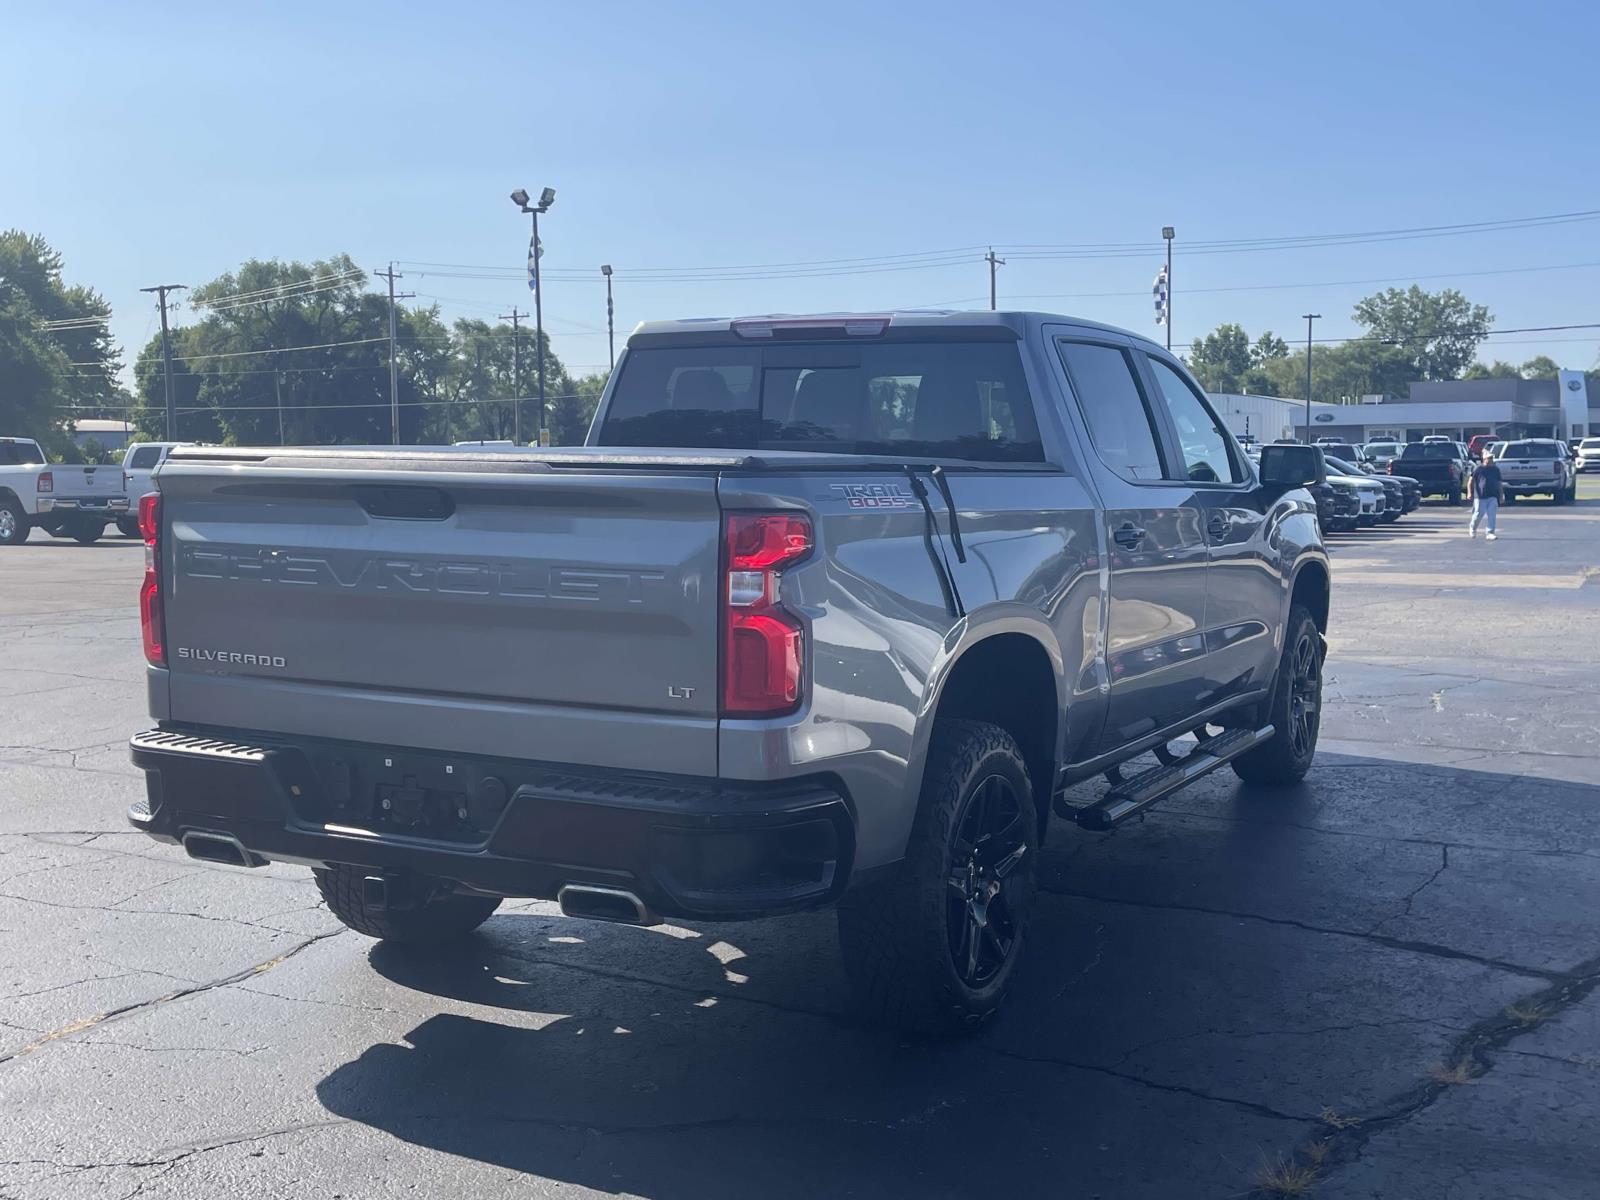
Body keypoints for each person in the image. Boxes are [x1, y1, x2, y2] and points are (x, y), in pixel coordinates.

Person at [1467, 447, 1503, 540]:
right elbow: (1470, 481)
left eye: (1491, 458)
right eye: (1489, 458)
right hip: (1480, 496)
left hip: (1493, 495)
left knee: (1492, 514)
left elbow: (1499, 483)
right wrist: (1469, 493)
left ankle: (1490, 532)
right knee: (1478, 514)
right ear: (1484, 459)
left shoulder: (1495, 469)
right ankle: (1473, 528)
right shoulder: (1478, 469)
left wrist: (1501, 496)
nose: (1490, 460)